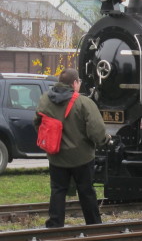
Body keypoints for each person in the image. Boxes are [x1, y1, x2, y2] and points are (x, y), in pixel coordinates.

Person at [33, 68, 108, 228]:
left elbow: (37, 123)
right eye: (79, 81)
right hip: (82, 157)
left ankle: (55, 224)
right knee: (86, 191)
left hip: (56, 156)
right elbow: (97, 130)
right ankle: (94, 224)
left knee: (58, 190)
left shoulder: (45, 100)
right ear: (74, 83)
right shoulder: (84, 103)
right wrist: (103, 141)